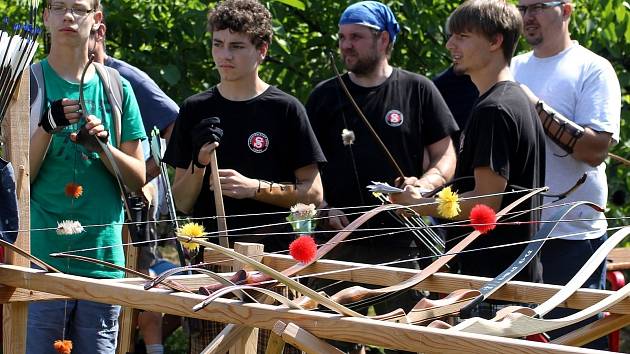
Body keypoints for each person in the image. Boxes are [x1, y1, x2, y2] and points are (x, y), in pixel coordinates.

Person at [162, 0, 325, 352]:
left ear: (261, 49)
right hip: (212, 266)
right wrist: (201, 162)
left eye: (237, 46)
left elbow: (313, 194)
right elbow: (180, 201)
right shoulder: (195, 108)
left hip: (271, 266)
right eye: (218, 44)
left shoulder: (285, 109)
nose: (225, 55)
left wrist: (255, 189)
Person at [392, 0, 545, 313]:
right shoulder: (513, 99)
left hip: (490, 286)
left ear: (494, 41)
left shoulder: (495, 109)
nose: (450, 44)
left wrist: (418, 205)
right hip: (503, 282)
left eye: (462, 36)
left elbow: (486, 206)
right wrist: (424, 190)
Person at [27, 0, 146, 353]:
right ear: (46, 16)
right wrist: (47, 127)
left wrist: (102, 147)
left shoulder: (117, 87)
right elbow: (15, 179)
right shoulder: (27, 84)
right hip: (40, 263)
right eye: (58, 6)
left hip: (103, 262)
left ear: (95, 19)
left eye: (78, 8)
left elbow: (138, 177)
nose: (68, 16)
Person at [511, 0, 621, 347]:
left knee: (573, 343)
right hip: (515, 234)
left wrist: (534, 105)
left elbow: (594, 151)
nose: (527, 16)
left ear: (567, 10)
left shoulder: (593, 68)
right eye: (522, 7)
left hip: (573, 238)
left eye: (538, 6)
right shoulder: (511, 66)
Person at [90, 16, 179, 354]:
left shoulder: (124, 77)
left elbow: (176, 126)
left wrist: (145, 174)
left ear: (100, 32)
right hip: (85, 201)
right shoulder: (57, 75)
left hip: (133, 205)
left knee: (135, 285)